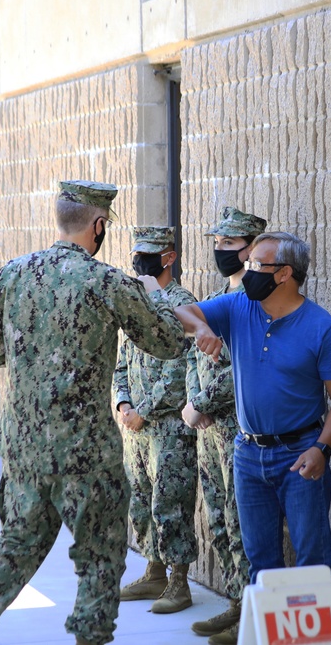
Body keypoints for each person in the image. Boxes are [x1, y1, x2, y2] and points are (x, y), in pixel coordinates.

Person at [0, 180, 187, 645]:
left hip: (24, 450)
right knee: (99, 556)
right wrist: (168, 304)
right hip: (86, 455)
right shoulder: (108, 281)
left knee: (16, 543)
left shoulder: (13, 273)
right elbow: (168, 342)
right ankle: (89, 639)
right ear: (98, 226)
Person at [173, 231, 331, 644]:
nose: (248, 270)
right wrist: (202, 327)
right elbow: (180, 310)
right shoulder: (239, 306)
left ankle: (327, 637)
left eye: (257, 265)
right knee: (261, 561)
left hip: (300, 455)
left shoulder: (323, 329)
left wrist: (321, 448)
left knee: (313, 557)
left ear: (285, 273)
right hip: (248, 454)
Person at [183, 207, 266, 643]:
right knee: (220, 520)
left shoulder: (255, 302)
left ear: (252, 248)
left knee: (243, 524)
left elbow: (244, 368)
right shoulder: (216, 298)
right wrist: (193, 405)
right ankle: (236, 604)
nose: (220, 250)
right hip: (208, 431)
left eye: (229, 244)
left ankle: (251, 612)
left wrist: (199, 403)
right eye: (217, 243)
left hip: (237, 428)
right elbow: (197, 355)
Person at [113, 226, 198, 614]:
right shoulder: (135, 302)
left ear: (169, 257)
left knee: (171, 502)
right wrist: (124, 405)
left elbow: (180, 370)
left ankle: (178, 583)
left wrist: (144, 410)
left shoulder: (180, 303)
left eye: (148, 254)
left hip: (168, 428)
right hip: (136, 429)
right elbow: (121, 364)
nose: (139, 261)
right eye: (137, 253)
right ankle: (154, 572)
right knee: (142, 501)